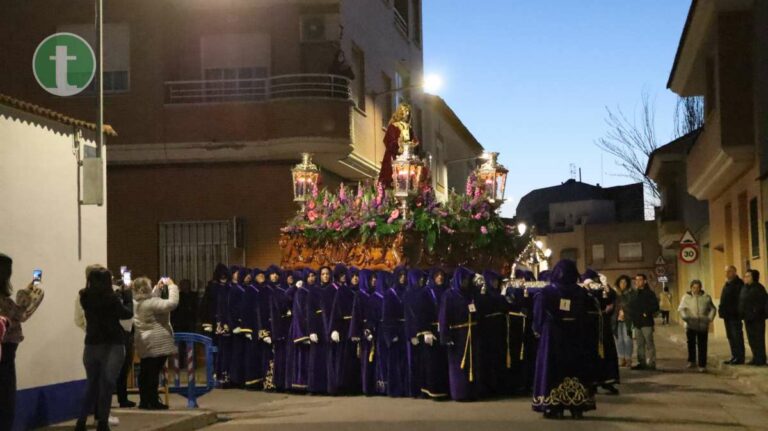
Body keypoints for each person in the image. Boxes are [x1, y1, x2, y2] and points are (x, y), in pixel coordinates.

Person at [531, 260, 597, 419]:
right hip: (576, 336)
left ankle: (554, 407)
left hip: (553, 337)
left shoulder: (546, 292)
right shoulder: (581, 292)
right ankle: (577, 406)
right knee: (576, 369)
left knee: (553, 369)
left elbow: (538, 316)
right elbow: (588, 315)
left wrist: (539, 331)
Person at [75, 267, 132, 431]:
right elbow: (126, 314)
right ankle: (102, 423)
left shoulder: (84, 297)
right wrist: (127, 297)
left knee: (92, 384)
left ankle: (81, 421)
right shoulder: (112, 299)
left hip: (91, 345)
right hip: (112, 344)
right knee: (107, 384)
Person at [0, 253, 45, 431]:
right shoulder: (5, 302)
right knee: (5, 399)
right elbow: (21, 315)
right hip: (6, 355)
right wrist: (32, 293)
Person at [132, 276, 179, 409]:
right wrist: (172, 286)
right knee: (152, 373)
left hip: (145, 342)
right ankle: (153, 401)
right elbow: (171, 304)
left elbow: (150, 299)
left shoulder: (138, 302)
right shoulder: (151, 303)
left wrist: (156, 290)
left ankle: (145, 400)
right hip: (156, 342)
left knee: (146, 372)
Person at [439, 267, 483, 401]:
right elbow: (444, 316)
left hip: (472, 334)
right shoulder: (449, 295)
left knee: (473, 363)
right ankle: (460, 393)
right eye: (464, 279)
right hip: (457, 335)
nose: (466, 282)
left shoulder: (471, 294)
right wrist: (445, 336)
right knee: (458, 366)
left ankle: (473, 391)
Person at [327, 264, 358, 395]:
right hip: (344, 328)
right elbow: (335, 311)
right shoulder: (342, 291)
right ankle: (342, 385)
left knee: (353, 357)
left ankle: (353, 385)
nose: (355, 278)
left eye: (357, 276)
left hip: (354, 326)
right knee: (343, 358)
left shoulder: (357, 291)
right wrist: (334, 329)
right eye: (353, 276)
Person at [382, 267, 410, 397]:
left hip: (406, 329)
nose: (403, 277)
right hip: (395, 329)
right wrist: (390, 334)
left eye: (405, 275)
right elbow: (386, 316)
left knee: (406, 361)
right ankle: (395, 389)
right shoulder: (390, 293)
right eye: (401, 275)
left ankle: (406, 388)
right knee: (395, 362)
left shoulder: (408, 291)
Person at [378, 103, 419, 189]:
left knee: (407, 183)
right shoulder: (393, 126)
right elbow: (388, 142)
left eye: (408, 112)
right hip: (394, 158)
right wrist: (398, 142)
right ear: (401, 112)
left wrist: (412, 144)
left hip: (407, 159)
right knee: (392, 182)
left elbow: (414, 141)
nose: (407, 114)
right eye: (405, 111)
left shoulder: (409, 128)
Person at [678, 280, 716, 372]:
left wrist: (709, 318)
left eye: (698, 287)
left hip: (702, 324)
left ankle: (702, 365)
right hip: (691, 324)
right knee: (691, 343)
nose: (696, 289)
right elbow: (681, 309)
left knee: (702, 345)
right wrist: (685, 317)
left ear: (701, 288)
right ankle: (692, 360)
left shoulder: (706, 297)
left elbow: (712, 308)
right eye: (694, 287)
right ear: (691, 288)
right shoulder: (686, 297)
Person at [630, 274, 659, 370]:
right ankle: (641, 363)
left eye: (639, 280)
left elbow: (655, 306)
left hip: (646, 323)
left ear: (645, 281)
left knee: (649, 343)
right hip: (637, 323)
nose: (637, 282)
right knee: (639, 344)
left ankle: (651, 363)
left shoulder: (649, 293)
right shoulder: (634, 293)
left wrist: (646, 312)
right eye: (636, 280)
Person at [739, 269, 767, 366]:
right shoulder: (745, 288)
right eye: (745, 276)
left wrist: (757, 313)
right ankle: (755, 357)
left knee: (758, 339)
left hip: (757, 319)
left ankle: (761, 359)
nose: (745, 278)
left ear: (754, 278)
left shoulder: (759, 288)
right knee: (751, 339)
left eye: (748, 276)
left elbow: (763, 303)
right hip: (747, 318)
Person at [719, 266, 745, 365]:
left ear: (734, 272)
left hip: (734, 316)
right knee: (730, 336)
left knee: (737, 336)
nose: (726, 273)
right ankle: (734, 356)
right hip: (727, 315)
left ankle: (739, 357)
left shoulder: (739, 284)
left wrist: (737, 312)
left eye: (729, 271)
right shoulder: (727, 284)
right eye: (725, 271)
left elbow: (740, 300)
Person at [613, 275, 635, 368]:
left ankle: (628, 358)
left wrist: (624, 312)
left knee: (627, 339)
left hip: (627, 320)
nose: (623, 284)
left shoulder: (631, 293)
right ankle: (621, 358)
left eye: (625, 282)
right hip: (617, 320)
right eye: (621, 282)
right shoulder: (615, 294)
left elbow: (632, 306)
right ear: (618, 283)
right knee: (619, 340)